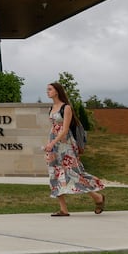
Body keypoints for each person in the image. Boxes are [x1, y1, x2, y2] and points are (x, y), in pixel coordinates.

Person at [43, 82, 105, 216]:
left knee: (74, 173)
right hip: (53, 146)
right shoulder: (52, 107)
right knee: (54, 174)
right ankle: (63, 209)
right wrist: (50, 143)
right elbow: (53, 128)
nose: (47, 92)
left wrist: (52, 142)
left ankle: (98, 197)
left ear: (57, 91)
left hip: (65, 145)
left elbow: (64, 130)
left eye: (50, 89)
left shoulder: (66, 108)